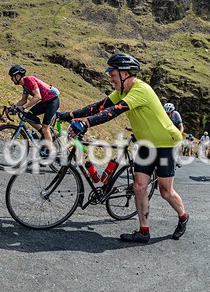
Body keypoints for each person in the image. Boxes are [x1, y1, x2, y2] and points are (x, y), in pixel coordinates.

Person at [56, 53, 189, 243]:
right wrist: (70, 115)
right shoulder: (121, 92)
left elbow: (113, 112)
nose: (109, 77)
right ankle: (144, 232)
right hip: (145, 143)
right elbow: (100, 107)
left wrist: (85, 124)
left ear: (125, 73)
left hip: (165, 143)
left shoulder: (140, 90)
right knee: (139, 186)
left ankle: (183, 217)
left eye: (112, 73)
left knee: (165, 191)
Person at [8, 65, 60, 157]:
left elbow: (37, 97)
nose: (11, 79)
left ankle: (51, 152)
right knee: (27, 116)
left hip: (53, 100)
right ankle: (43, 133)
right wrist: (13, 107)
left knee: (45, 127)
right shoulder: (24, 85)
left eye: (12, 77)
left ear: (17, 76)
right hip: (45, 101)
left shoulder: (29, 80)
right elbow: (23, 100)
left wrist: (23, 107)